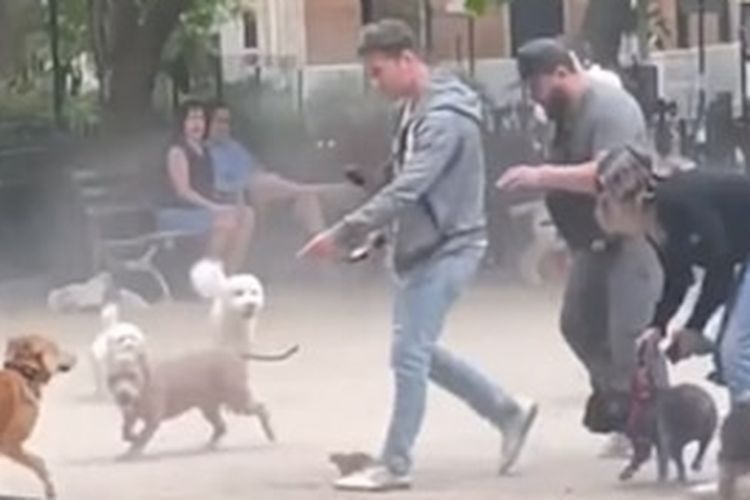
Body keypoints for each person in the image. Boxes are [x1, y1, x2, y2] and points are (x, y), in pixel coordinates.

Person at [298, 19, 537, 492]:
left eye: (377, 71)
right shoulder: (415, 107)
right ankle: (506, 410)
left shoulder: (444, 119)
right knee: (418, 351)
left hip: (451, 247)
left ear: (408, 60)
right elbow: (405, 184)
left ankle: (396, 463)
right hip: (426, 245)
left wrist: (344, 234)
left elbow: (410, 187)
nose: (374, 82)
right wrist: (380, 238)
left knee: (409, 354)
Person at [497, 38, 663, 454]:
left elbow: (611, 173)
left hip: (632, 235)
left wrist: (542, 176)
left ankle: (658, 425)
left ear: (560, 73)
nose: (534, 98)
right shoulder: (562, 115)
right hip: (592, 240)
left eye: (537, 86)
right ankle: (624, 410)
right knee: (579, 325)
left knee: (632, 337)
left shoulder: (612, 109)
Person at [205, 102, 329, 241]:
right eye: (220, 122)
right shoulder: (204, 152)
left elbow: (255, 166)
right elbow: (216, 184)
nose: (224, 127)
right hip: (240, 191)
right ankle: (329, 190)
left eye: (227, 122)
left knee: (307, 196)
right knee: (282, 186)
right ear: (207, 123)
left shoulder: (233, 146)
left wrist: (265, 175)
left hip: (260, 187)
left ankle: (319, 242)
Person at [157, 100, 254, 272]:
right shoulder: (177, 151)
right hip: (178, 212)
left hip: (203, 209)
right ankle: (206, 278)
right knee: (225, 221)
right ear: (182, 123)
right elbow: (184, 191)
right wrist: (215, 208)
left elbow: (211, 187)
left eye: (201, 119)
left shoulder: (205, 150)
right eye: (192, 119)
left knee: (246, 214)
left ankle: (231, 272)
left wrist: (232, 203)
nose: (197, 124)